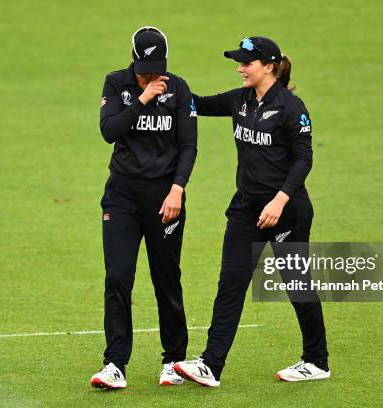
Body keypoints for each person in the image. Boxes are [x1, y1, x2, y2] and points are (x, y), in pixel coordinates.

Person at [173, 36, 330, 387]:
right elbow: (196, 104)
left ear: (269, 67)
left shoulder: (292, 107)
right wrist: (170, 90)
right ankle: (211, 365)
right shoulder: (240, 99)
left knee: (296, 285)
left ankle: (317, 361)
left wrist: (280, 199)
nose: (240, 68)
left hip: (287, 211)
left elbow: (304, 158)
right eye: (239, 62)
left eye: (247, 63)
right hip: (246, 210)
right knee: (231, 283)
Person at [90, 26, 198, 390]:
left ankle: (174, 360)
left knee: (166, 278)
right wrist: (143, 99)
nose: (153, 74)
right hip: (121, 196)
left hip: (165, 198)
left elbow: (188, 145)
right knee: (118, 276)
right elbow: (109, 130)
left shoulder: (180, 89)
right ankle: (115, 364)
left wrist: (177, 190)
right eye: (145, 67)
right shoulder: (115, 83)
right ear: (133, 59)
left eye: (158, 67)